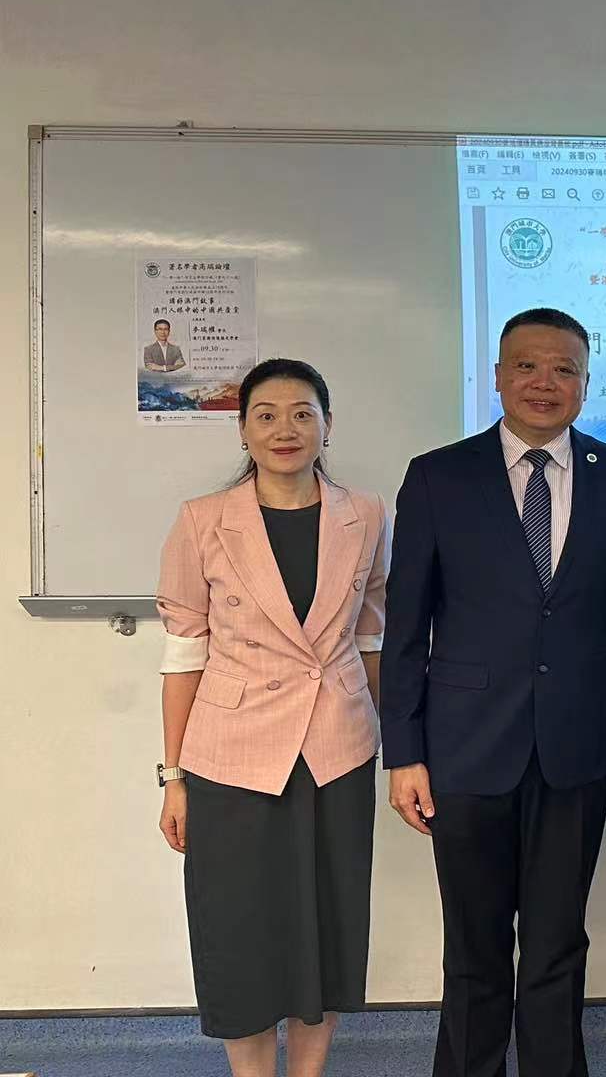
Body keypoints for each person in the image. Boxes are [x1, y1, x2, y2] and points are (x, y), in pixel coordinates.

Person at [380, 307, 606, 1077]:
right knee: (473, 948)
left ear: (585, 385)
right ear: (498, 376)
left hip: (579, 744)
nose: (545, 382)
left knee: (557, 942)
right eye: (527, 366)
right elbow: (406, 626)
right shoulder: (438, 475)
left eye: (564, 369)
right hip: (463, 746)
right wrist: (403, 752)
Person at [155, 358, 387, 1077]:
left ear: (327, 425)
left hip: (336, 747)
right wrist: (173, 777)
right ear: (243, 430)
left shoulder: (367, 515)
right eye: (266, 414)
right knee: (239, 929)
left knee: (329, 926)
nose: (284, 429)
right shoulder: (203, 520)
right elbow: (184, 652)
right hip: (231, 753)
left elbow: (372, 635)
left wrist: (392, 742)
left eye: (301, 413)